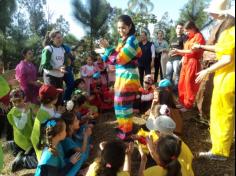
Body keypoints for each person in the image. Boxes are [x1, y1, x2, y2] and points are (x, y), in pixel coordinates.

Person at [194, 4, 235, 160]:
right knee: (226, 114)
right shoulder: (231, 32)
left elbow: (227, 58)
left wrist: (206, 70)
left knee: (221, 115)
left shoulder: (230, 32)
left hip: (226, 79)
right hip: (228, 78)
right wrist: (202, 46)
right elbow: (221, 48)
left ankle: (220, 152)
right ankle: (223, 146)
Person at [99, 15, 142, 140]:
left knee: (124, 105)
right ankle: (123, 127)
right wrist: (107, 52)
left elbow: (119, 59)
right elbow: (113, 59)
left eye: (123, 28)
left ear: (129, 27)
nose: (120, 30)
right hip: (121, 77)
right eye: (118, 28)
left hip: (128, 78)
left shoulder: (132, 40)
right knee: (119, 104)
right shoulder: (122, 40)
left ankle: (127, 133)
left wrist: (107, 49)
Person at [171, 21, 205, 110]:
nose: (186, 33)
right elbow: (186, 51)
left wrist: (178, 51)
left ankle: (188, 105)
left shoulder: (198, 37)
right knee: (182, 83)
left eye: (187, 31)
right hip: (186, 62)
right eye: (185, 31)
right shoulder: (190, 37)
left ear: (192, 28)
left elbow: (192, 52)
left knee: (189, 84)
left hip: (192, 63)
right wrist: (178, 53)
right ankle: (182, 102)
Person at [7, 88, 38, 172]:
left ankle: (21, 153)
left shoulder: (28, 107)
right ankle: (22, 161)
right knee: (38, 159)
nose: (17, 104)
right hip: (23, 140)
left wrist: (34, 115)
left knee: (40, 152)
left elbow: (33, 118)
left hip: (31, 137)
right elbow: (20, 126)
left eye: (19, 100)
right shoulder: (13, 112)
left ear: (24, 98)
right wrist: (25, 112)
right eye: (14, 102)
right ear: (11, 101)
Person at [31, 84, 63, 161]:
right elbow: (49, 125)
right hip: (40, 139)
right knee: (45, 157)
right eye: (56, 96)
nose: (58, 97)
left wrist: (58, 113)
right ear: (51, 99)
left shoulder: (51, 106)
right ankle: (27, 160)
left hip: (49, 136)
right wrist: (58, 114)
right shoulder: (42, 113)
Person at [40, 29, 66, 105]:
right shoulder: (48, 49)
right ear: (52, 39)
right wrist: (58, 68)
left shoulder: (62, 49)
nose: (60, 39)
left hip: (60, 77)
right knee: (51, 97)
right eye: (58, 37)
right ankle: (49, 114)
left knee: (59, 96)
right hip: (50, 77)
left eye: (61, 37)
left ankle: (58, 114)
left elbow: (63, 62)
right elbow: (44, 64)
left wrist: (63, 67)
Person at [166, 23, 186, 94]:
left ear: (183, 29)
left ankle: (176, 91)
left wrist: (183, 57)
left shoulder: (184, 37)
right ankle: (168, 89)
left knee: (177, 74)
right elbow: (170, 48)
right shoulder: (173, 38)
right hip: (170, 59)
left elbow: (186, 48)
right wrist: (169, 54)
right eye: (178, 28)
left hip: (178, 58)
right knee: (168, 74)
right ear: (175, 29)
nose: (179, 29)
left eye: (181, 28)